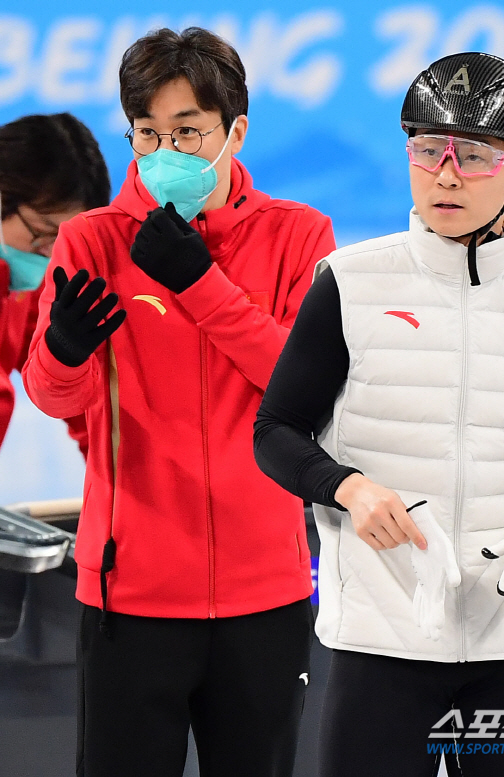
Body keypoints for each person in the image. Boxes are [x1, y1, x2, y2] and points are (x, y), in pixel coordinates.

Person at [254, 52, 504, 777]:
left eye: (473, 156)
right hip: (381, 639)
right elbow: (276, 431)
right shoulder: (350, 284)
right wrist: (349, 488)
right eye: (428, 150)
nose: (445, 174)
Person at [22, 27, 335, 777]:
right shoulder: (92, 240)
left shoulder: (299, 235)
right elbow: (52, 394)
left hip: (266, 594)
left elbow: (308, 383)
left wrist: (200, 283)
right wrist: (62, 349)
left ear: (236, 132)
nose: (166, 151)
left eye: (188, 132)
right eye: (147, 132)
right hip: (130, 595)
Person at [0, 112, 110, 456]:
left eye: (65, 240)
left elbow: (88, 414)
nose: (49, 253)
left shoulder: (23, 285)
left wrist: (118, 470)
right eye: (42, 232)